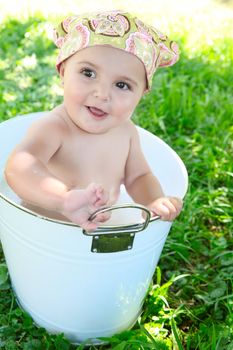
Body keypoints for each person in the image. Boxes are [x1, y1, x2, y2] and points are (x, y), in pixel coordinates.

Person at [4, 10, 183, 231]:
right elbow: (19, 167)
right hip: (44, 229)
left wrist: (153, 201)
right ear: (62, 72)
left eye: (122, 85)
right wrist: (64, 199)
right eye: (88, 73)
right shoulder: (55, 127)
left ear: (141, 95)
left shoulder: (126, 132)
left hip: (97, 229)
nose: (102, 94)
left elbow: (139, 176)